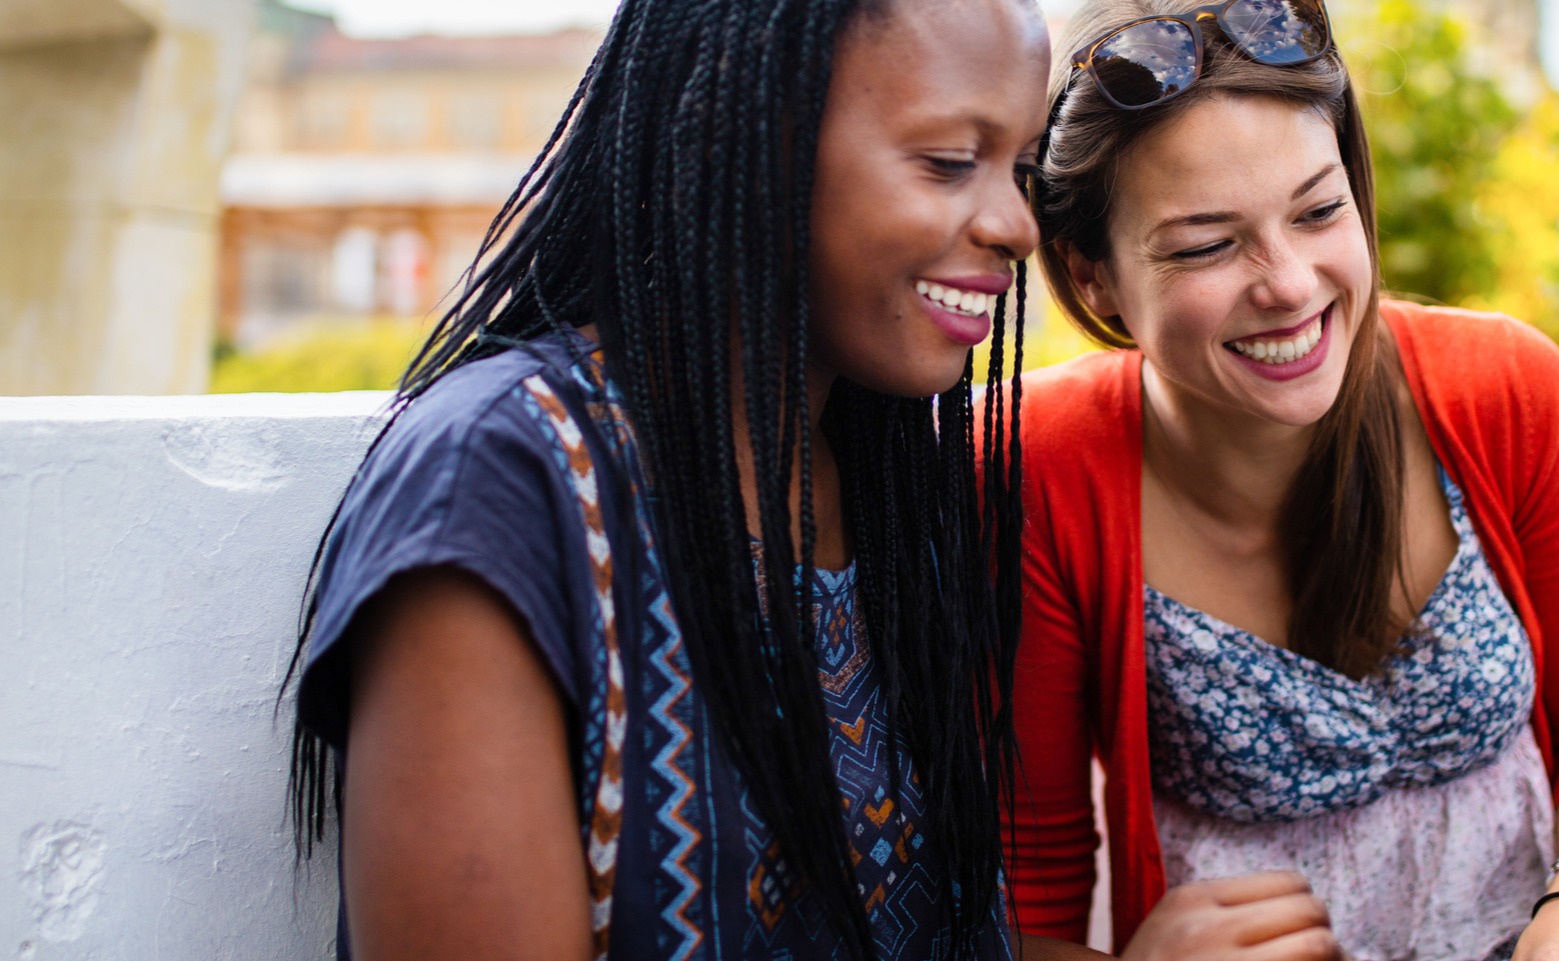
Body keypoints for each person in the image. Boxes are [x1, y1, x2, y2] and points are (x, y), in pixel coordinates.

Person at [283, 1, 1051, 958]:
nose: (1017, 223)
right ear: (748, 131)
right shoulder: (504, 483)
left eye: (1023, 168)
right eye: (947, 162)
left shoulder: (895, 475)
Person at [1005, 2, 1559, 960]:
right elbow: (1024, 900)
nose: (1288, 283)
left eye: (1319, 210)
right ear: (1093, 281)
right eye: (1206, 244)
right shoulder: (1042, 468)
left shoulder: (1503, 388)